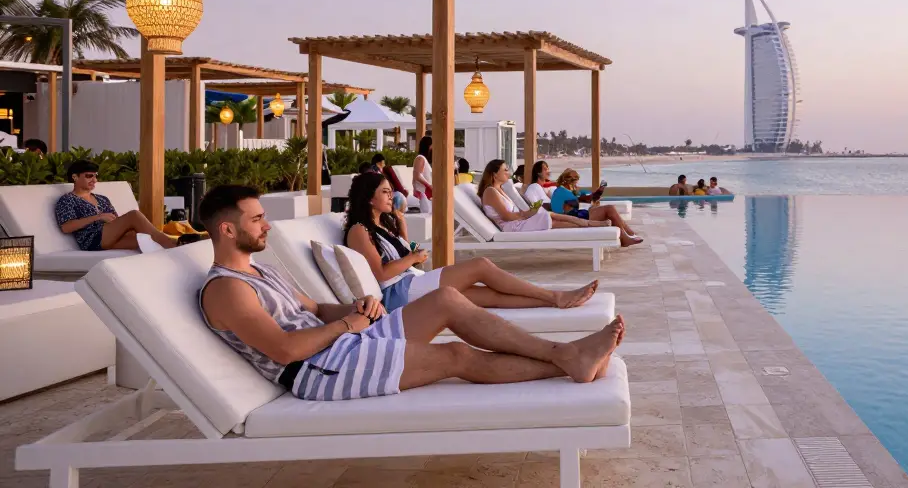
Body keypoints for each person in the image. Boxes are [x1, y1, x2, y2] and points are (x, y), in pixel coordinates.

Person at [198, 184, 625, 401]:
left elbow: (315, 308)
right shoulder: (226, 291)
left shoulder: (263, 270)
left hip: (341, 344)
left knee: (447, 299)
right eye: (257, 220)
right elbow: (285, 350)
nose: (266, 226)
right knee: (455, 356)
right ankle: (566, 360)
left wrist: (354, 307)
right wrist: (349, 324)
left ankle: (563, 353)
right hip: (316, 371)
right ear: (227, 229)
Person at [343, 172, 600, 312]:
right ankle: (556, 295)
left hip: (411, 281)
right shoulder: (358, 230)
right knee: (480, 266)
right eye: (385, 192)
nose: (392, 196)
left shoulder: (381, 225)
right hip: (399, 293)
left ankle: (553, 301)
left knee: (486, 296)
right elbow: (380, 273)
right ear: (368, 198)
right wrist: (412, 258)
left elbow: (404, 257)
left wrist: (402, 226)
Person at [55, 160, 177, 251]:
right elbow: (66, 227)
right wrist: (97, 217)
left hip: (110, 237)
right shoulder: (67, 200)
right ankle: (174, 245)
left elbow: (116, 221)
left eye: (95, 176)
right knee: (133, 215)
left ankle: (176, 248)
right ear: (75, 177)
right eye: (89, 176)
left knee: (147, 241)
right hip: (93, 239)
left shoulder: (102, 199)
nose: (94, 180)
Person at [479, 160, 605, 232]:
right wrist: (526, 214)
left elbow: (512, 212)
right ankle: (590, 225)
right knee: (549, 219)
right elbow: (506, 217)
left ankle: (588, 223)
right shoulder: (490, 192)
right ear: (495, 174)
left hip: (517, 221)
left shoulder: (500, 190)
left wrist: (529, 212)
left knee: (548, 215)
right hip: (511, 227)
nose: (509, 173)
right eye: (505, 170)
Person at [552, 169, 643, 247]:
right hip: (574, 218)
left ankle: (627, 234)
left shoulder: (567, 191)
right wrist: (595, 194)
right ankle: (627, 236)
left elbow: (586, 197)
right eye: (575, 183)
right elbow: (582, 200)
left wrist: (597, 193)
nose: (576, 185)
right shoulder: (561, 192)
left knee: (607, 210)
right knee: (609, 209)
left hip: (578, 214)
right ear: (568, 182)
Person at [520, 161, 608, 229]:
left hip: (560, 211)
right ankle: (593, 201)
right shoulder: (533, 187)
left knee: (590, 206)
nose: (548, 171)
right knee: (603, 210)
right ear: (538, 173)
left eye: (548, 168)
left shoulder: (543, 188)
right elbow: (535, 207)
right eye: (545, 169)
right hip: (555, 216)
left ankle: (592, 200)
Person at [411, 136, 432, 213]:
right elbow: (417, 175)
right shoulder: (420, 158)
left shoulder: (423, 159)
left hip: (425, 193)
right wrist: (429, 186)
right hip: (423, 192)